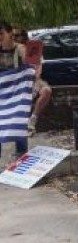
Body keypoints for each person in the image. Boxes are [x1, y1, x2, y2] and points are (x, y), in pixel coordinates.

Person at [13, 29, 52, 136]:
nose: (14, 37)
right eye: (13, 35)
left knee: (46, 90)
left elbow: (38, 69)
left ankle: (32, 120)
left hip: (32, 79)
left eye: (17, 35)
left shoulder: (33, 49)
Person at [0, 21, 29, 162]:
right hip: (2, 94)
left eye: (1, 33)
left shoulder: (21, 49)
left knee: (19, 119)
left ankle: (22, 155)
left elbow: (30, 67)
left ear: (10, 34)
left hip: (18, 92)